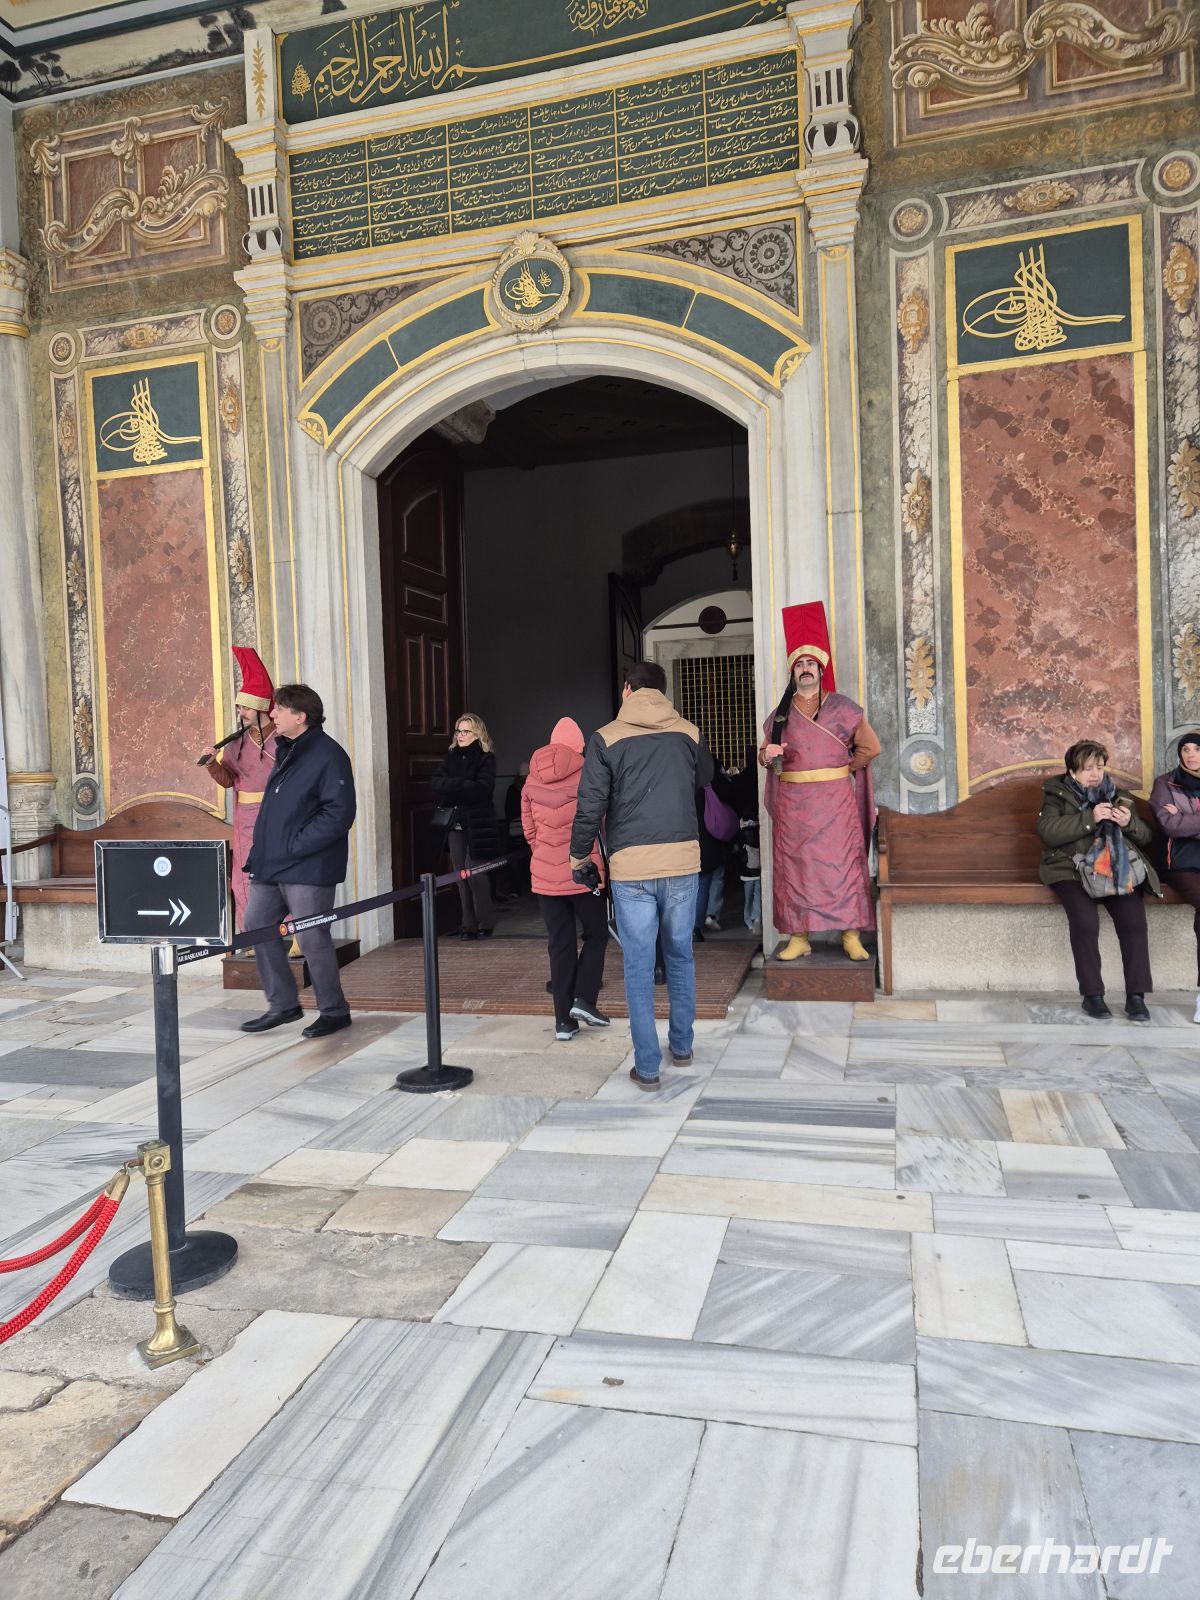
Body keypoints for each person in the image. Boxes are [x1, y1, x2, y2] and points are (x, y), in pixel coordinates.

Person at [570, 660, 714, 1090]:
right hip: (682, 860)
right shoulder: (689, 732)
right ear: (663, 692)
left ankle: (648, 1068)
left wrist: (580, 857)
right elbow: (706, 778)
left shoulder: (606, 737)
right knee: (680, 954)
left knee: (637, 964)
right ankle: (683, 1047)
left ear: (628, 690)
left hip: (632, 867)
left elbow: (590, 804)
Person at [759, 601, 879, 961]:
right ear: (793, 672)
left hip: (835, 802)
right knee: (796, 870)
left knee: (842, 865)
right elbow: (765, 754)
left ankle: (851, 934)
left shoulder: (844, 707)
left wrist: (843, 767)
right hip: (795, 806)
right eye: (800, 664)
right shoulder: (779, 714)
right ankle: (799, 936)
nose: (806, 669)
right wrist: (766, 757)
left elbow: (870, 748)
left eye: (811, 663)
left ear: (821, 669)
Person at [240, 683, 356, 1039]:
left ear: (300, 716)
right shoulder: (287, 749)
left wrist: (296, 845)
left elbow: (339, 812)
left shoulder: (328, 754)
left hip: (308, 864)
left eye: (279, 709)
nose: (272, 714)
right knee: (257, 924)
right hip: (272, 863)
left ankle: (334, 1011)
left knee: (311, 937)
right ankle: (283, 1005)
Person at [1038, 739, 1158, 1021]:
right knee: (1085, 922)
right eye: (1087, 768)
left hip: (1111, 868)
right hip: (1070, 869)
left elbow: (1146, 836)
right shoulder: (1056, 794)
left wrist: (1129, 823)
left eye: (1099, 767)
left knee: (1134, 923)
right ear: (1072, 772)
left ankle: (1136, 997)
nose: (1095, 774)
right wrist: (1089, 818)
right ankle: (1092, 996)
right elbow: (1048, 832)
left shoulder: (1117, 794)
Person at [523, 718, 609, 1040]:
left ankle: (563, 1022)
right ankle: (585, 999)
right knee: (597, 934)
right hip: (583, 871)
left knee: (559, 945)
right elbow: (599, 819)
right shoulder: (589, 772)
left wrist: (545, 855)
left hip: (545, 875)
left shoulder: (531, 778)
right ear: (579, 744)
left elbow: (529, 829)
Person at [203, 647, 277, 932]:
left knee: (283, 874)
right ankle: (250, 934)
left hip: (277, 815)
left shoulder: (283, 741)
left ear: (260, 708)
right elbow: (228, 780)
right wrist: (212, 764)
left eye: (245, 707)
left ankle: (294, 932)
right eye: (240, 707)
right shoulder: (235, 744)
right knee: (244, 877)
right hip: (247, 819)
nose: (241, 713)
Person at [433, 713, 501, 940]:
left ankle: (485, 922)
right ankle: (468, 925)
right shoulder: (451, 757)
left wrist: (455, 788)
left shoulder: (486, 758)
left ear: (477, 733)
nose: (460, 735)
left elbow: (483, 788)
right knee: (460, 875)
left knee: (476, 874)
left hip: (479, 824)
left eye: (465, 731)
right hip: (455, 825)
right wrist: (463, 784)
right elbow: (437, 782)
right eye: (458, 731)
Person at [1151, 733, 1200, 1023]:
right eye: (1186, 750)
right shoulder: (1165, 784)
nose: (1191, 755)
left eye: (1197, 749)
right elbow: (1168, 825)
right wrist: (1179, 821)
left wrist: (1186, 819)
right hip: (1181, 864)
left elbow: (1180, 821)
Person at [694, 772, 737, 939]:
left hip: (681, 838)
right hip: (707, 839)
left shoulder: (676, 774)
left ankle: (680, 928)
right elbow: (729, 795)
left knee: (681, 887)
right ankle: (696, 928)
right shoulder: (709, 776)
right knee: (704, 883)